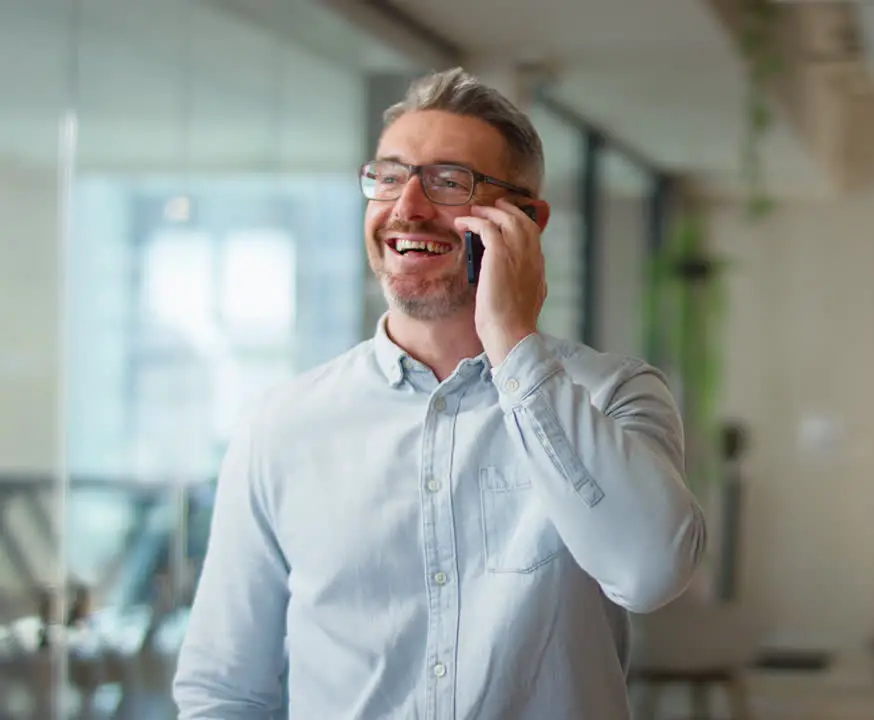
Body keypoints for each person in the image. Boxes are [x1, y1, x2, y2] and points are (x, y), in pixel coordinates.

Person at [172, 67, 707, 719]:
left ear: (526, 221)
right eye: (390, 176)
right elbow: (225, 690)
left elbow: (651, 572)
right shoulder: (279, 429)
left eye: (449, 182)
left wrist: (511, 339)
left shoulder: (614, 396)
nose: (407, 207)